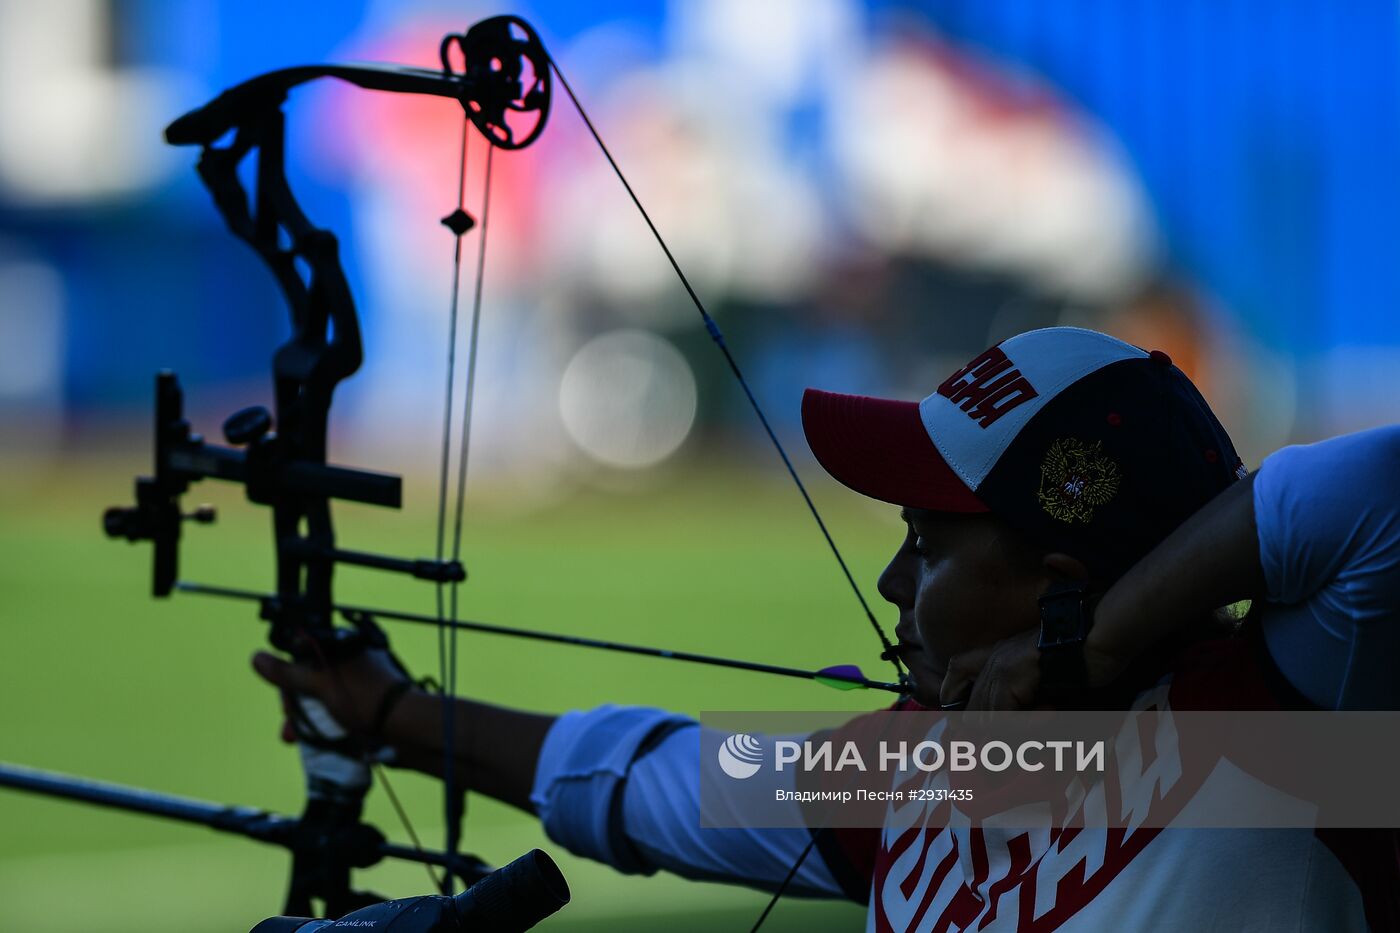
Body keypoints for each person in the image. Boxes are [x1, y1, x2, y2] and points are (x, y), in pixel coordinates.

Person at [254, 326, 1400, 930]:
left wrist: (1086, 649)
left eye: (930, 542)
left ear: (1058, 576)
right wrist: (393, 714)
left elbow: (1373, 489)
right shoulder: (918, 769)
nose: (894, 580)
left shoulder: (1298, 725)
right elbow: (657, 778)